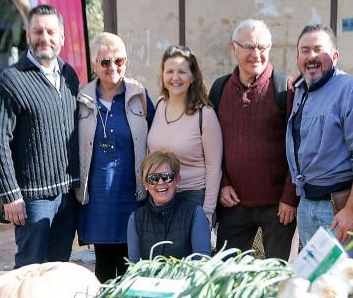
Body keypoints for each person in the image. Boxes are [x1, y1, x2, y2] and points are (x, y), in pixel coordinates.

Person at [0, 5, 81, 267]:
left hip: (67, 196)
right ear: (28, 35)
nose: (45, 37)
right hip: (32, 199)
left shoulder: (69, 76)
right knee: (29, 268)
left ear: (62, 37)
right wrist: (10, 194)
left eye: (51, 31)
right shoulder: (11, 80)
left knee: (57, 267)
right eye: (38, 31)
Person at [286, 24, 353, 259]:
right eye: (305, 50)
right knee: (318, 285)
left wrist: (352, 209)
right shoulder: (300, 91)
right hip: (307, 205)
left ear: (335, 56)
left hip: (338, 208)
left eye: (319, 49)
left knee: (344, 285)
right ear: (297, 57)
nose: (311, 57)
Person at [209, 19, 297, 260]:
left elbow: (297, 147)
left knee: (276, 277)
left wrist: (290, 197)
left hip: (279, 209)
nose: (256, 54)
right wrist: (223, 183)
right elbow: (211, 145)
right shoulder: (219, 89)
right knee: (227, 274)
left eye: (263, 47)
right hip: (233, 205)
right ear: (234, 48)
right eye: (249, 47)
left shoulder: (285, 88)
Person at [76, 32, 155, 282]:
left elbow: (156, 137)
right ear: (94, 64)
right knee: (104, 271)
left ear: (126, 62)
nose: (112, 67)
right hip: (98, 201)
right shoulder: (81, 99)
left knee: (132, 269)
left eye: (118, 61)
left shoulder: (139, 96)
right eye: (105, 61)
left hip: (132, 197)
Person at [146, 45, 222, 223]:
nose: (175, 77)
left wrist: (208, 211)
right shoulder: (158, 106)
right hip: (160, 198)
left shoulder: (205, 114)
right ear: (162, 74)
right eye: (169, 71)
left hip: (193, 199)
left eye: (182, 71)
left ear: (193, 76)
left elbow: (214, 168)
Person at [127, 151, 210, 262]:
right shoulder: (136, 218)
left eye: (167, 176)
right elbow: (134, 266)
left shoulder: (195, 213)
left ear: (177, 180)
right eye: (153, 178)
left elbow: (202, 262)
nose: (160, 182)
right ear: (145, 184)